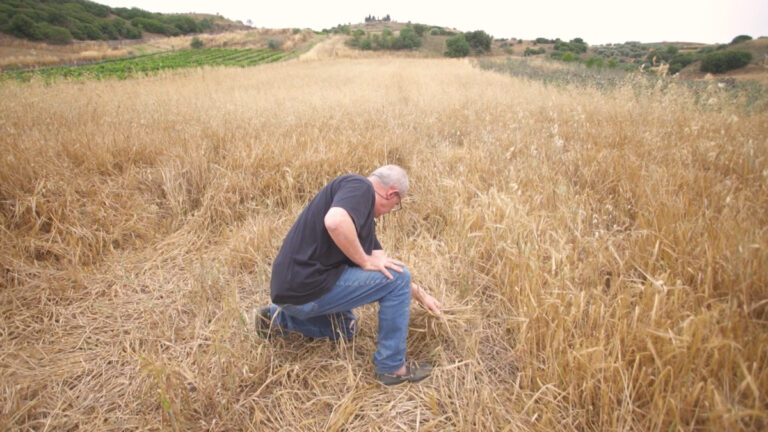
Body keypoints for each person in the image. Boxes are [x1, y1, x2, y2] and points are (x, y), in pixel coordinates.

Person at [253, 165, 441, 385]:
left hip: (290, 293)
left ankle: (276, 318)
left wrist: (422, 295)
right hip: (305, 287)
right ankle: (392, 368)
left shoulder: (362, 219)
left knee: (346, 327)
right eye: (395, 206)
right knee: (399, 280)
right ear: (392, 194)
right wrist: (363, 260)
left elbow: (389, 272)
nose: (391, 212)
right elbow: (335, 222)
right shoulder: (359, 187)